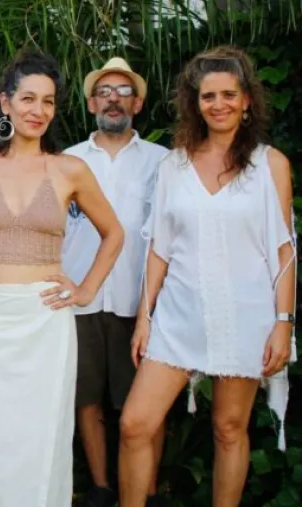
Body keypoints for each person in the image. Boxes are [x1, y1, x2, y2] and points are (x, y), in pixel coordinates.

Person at [0, 49, 124, 506]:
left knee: (40, 434)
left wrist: (86, 289)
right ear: (5, 102)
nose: (38, 110)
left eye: (48, 101)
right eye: (28, 99)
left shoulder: (70, 170)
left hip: (44, 319)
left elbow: (114, 233)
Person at [118, 46, 296, 507]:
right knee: (135, 424)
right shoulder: (173, 166)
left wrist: (283, 323)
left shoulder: (271, 165)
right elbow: (158, 248)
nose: (218, 104)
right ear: (195, 103)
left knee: (229, 428)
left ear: (246, 100)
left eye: (228, 95)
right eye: (208, 96)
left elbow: (284, 253)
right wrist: (144, 317)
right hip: (178, 316)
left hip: (245, 315)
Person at [61, 57, 168, 507]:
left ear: (138, 104)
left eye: (124, 91)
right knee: (86, 397)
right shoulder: (66, 161)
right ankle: (102, 488)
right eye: (104, 92)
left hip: (138, 299)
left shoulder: (163, 162)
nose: (113, 99)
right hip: (79, 297)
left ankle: (146, 491)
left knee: (141, 403)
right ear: (91, 104)